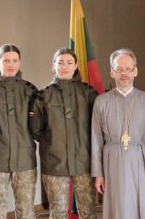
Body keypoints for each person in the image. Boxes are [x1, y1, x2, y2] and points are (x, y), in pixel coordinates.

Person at [91, 48, 145, 219]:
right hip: (112, 160)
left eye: (128, 69)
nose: (124, 74)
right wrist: (98, 174)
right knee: (117, 209)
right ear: (112, 72)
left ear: (135, 71)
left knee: (141, 208)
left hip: (140, 159)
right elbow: (96, 140)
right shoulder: (101, 101)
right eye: (119, 69)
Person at [29, 48, 98, 219]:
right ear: (54, 66)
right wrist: (53, 143)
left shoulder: (88, 93)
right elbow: (36, 129)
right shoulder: (43, 95)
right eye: (60, 62)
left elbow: (98, 125)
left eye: (69, 63)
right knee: (58, 212)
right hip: (54, 163)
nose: (65, 66)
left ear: (76, 66)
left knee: (88, 212)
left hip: (84, 162)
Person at [0, 44, 38, 219]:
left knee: (26, 211)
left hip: (24, 160)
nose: (11, 64)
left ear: (20, 62)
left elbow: (38, 124)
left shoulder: (30, 90)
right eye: (6, 60)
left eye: (15, 60)